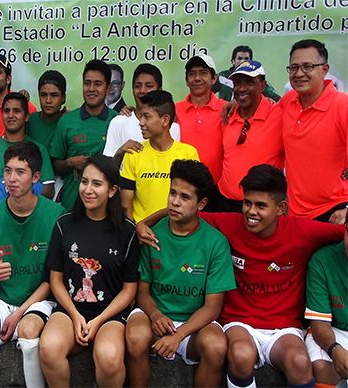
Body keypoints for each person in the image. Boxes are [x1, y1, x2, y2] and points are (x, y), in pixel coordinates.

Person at [137, 164, 344, 388]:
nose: (251, 212)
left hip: (283, 327)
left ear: (281, 208)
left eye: (261, 205)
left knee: (300, 363)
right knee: (241, 355)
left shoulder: (303, 232)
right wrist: (144, 223)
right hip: (239, 323)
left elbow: (344, 234)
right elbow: (184, 209)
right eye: (247, 203)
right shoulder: (229, 224)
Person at [125, 159, 235, 387]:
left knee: (216, 347)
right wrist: (155, 315)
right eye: (172, 193)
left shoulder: (215, 242)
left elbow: (212, 307)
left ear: (201, 203)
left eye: (185, 197)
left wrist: (179, 335)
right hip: (154, 316)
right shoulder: (151, 235)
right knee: (135, 338)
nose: (175, 202)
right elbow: (142, 292)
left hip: (195, 323)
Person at [0, 142, 64, 388]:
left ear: (36, 177)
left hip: (38, 298)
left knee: (29, 331)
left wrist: (20, 313)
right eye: (7, 171)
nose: (11, 179)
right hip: (1, 298)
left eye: (20, 172)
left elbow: (52, 279)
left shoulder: (57, 215)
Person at [40, 155, 139, 387]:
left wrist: (98, 321)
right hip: (69, 309)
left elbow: (129, 290)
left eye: (97, 184)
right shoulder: (64, 224)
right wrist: (76, 316)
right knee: (49, 347)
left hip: (110, 315)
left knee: (110, 356)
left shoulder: (127, 231)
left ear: (113, 190)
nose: (88, 189)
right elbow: (56, 279)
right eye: (84, 182)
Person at [277, 39, 348, 223]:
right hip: (295, 216)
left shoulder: (342, 106)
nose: (299, 73)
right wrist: (237, 102)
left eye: (307, 66)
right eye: (293, 68)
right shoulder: (288, 101)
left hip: (334, 213)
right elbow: (263, 111)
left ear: (325, 69)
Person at [120, 90, 199, 223]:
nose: (141, 122)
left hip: (176, 233)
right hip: (141, 234)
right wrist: (136, 231)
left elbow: (192, 201)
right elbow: (126, 206)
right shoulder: (133, 153)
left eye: (147, 116)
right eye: (141, 116)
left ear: (165, 120)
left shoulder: (188, 154)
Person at [216, 60, 284, 213]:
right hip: (225, 203)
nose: (241, 88)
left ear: (262, 86)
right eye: (237, 83)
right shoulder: (227, 115)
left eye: (249, 83)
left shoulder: (279, 115)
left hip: (261, 207)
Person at [51, 59, 118, 211]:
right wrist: (70, 163)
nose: (91, 88)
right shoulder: (67, 121)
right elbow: (55, 165)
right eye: (87, 83)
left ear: (107, 89)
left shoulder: (118, 120)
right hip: (71, 206)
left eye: (98, 84)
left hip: (107, 210)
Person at [0, 93, 55, 201]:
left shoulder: (38, 149)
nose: (10, 115)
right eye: (6, 111)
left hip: (27, 214)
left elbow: (49, 190)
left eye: (16, 111)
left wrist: (14, 190)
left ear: (26, 116)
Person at [103, 63, 181, 166]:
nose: (142, 91)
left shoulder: (172, 127)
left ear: (160, 90)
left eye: (149, 86)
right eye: (137, 86)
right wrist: (121, 153)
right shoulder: (118, 122)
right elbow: (106, 169)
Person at [304, 211, 348, 387]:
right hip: (335, 330)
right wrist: (335, 350)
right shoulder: (323, 259)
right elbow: (319, 324)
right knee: (323, 366)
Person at [176, 54, 226, 184]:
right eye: (192, 74)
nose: (197, 78)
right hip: (182, 189)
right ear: (186, 80)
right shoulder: (174, 110)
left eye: (203, 73)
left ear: (214, 78)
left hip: (217, 190)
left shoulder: (227, 109)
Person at [216, 45, 281, 102]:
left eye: (246, 59)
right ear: (233, 61)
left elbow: (277, 98)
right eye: (239, 58)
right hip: (224, 114)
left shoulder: (256, 78)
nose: (243, 61)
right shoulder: (223, 76)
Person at [26, 70, 67, 150]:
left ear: (63, 98)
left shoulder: (69, 122)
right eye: (43, 95)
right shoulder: (29, 121)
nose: (48, 100)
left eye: (54, 95)